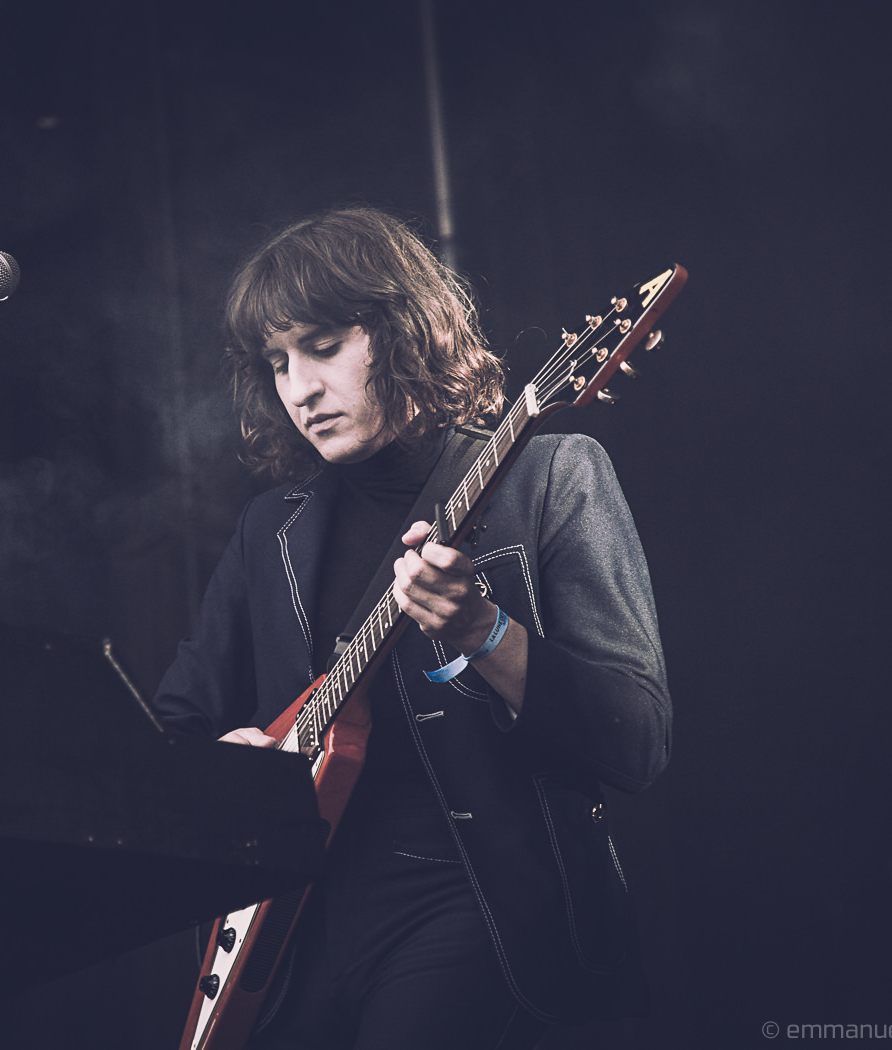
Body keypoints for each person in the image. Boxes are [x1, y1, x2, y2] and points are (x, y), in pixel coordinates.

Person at [152, 206, 670, 1050]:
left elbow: (635, 740)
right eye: (277, 363)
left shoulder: (551, 475)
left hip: (480, 916)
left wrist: (483, 630)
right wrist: (221, 769)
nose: (299, 389)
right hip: (293, 944)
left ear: (405, 331)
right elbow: (170, 729)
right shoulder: (269, 529)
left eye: (323, 346)